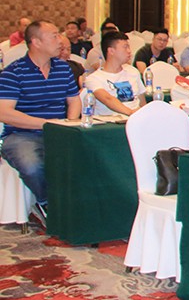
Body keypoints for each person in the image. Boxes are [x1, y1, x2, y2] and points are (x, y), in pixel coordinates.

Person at [0, 20, 81, 226]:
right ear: (36, 42)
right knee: (32, 165)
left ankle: (83, 207)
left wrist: (69, 125)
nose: (60, 40)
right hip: (21, 135)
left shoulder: (63, 69)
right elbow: (5, 113)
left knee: (90, 157)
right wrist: (45, 123)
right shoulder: (13, 73)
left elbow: (74, 101)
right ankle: (47, 203)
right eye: (54, 36)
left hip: (59, 131)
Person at [86, 31, 146, 116]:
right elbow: (107, 99)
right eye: (125, 47)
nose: (129, 51)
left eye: (129, 47)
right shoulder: (93, 79)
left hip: (135, 118)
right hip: (111, 121)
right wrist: (131, 113)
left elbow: (141, 101)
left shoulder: (133, 71)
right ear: (111, 51)